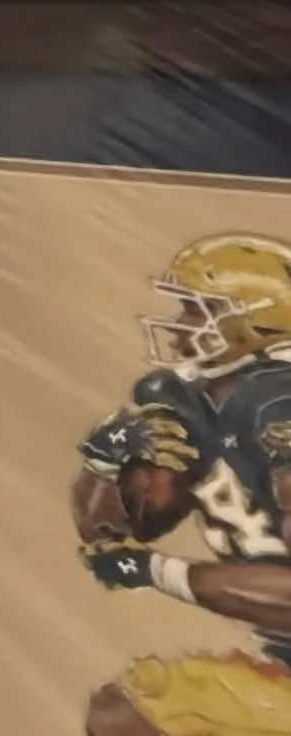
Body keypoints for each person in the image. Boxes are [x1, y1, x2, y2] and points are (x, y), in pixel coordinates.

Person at [74, 235, 291, 735]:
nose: (179, 325)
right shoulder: (201, 402)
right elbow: (112, 535)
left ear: (253, 321)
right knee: (125, 712)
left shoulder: (276, 406)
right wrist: (105, 459)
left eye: (198, 310)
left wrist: (157, 571)